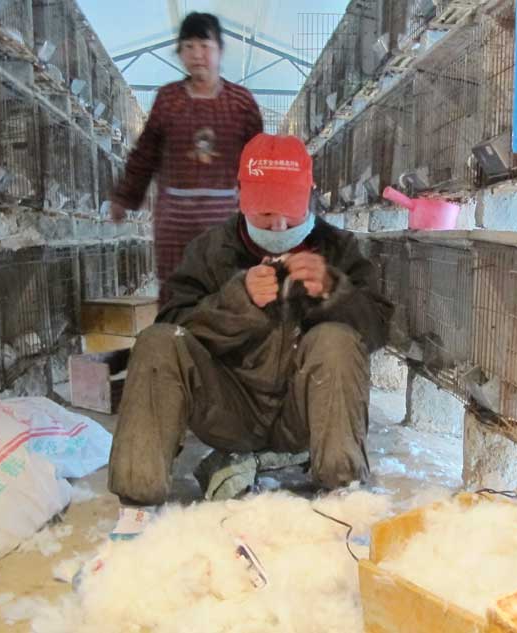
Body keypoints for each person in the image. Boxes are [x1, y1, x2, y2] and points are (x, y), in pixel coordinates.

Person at [107, 133, 392, 539]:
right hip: (228, 410)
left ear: (309, 197)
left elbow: (380, 329)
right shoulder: (210, 249)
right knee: (156, 342)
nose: (278, 227)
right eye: (264, 217)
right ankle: (136, 508)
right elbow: (173, 322)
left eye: (290, 218)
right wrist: (235, 303)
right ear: (240, 198)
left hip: (304, 417)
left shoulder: (338, 247)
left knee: (335, 338)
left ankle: (343, 496)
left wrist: (336, 290)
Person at [110, 12, 263, 304]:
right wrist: (124, 197)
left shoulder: (242, 103)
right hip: (174, 218)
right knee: (176, 290)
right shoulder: (169, 99)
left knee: (227, 287)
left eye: (205, 46)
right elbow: (146, 153)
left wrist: (263, 211)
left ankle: (224, 344)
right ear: (180, 53)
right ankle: (174, 342)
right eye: (188, 46)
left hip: (224, 216)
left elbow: (257, 163)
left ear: (220, 50)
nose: (197, 55)